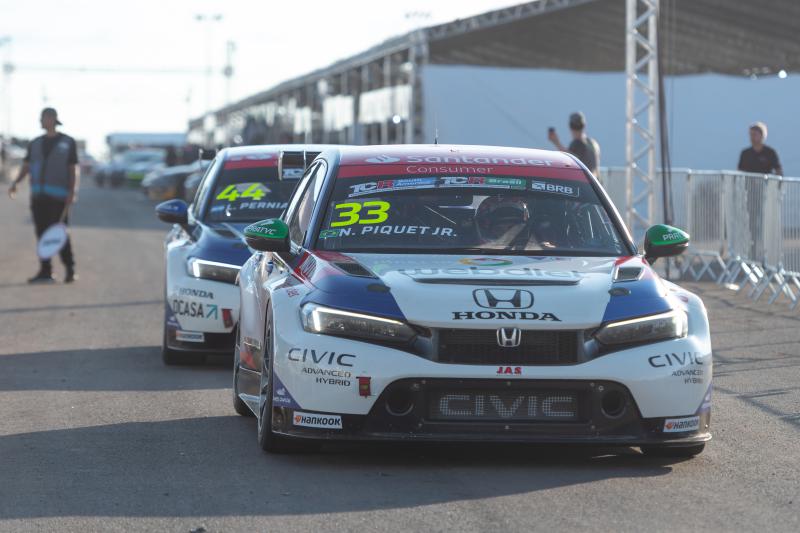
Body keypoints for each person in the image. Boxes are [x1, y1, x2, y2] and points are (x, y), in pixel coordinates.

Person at [7, 108, 79, 283]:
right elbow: (26, 166)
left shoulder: (68, 142)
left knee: (59, 232)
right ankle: (46, 271)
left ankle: (70, 269)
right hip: (38, 197)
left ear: (52, 119)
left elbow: (72, 169)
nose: (40, 121)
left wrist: (72, 191)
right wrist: (16, 182)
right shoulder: (35, 143)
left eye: (43, 118)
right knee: (41, 233)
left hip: (59, 197)